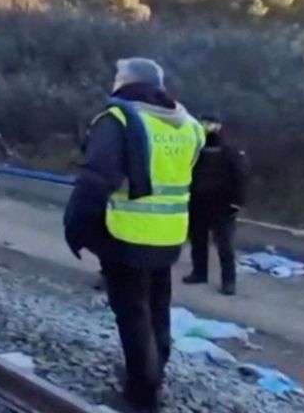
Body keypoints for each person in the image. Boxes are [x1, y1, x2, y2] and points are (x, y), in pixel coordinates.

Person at [63, 58, 205, 412]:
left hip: (127, 236)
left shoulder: (119, 120)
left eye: (116, 76)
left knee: (133, 315)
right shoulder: (187, 125)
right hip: (170, 235)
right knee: (158, 308)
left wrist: (75, 229)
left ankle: (142, 396)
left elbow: (96, 181)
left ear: (127, 81)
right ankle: (152, 373)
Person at [183, 113, 248, 296]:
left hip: (223, 205)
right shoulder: (196, 148)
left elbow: (240, 177)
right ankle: (199, 273)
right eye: (203, 123)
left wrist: (237, 202)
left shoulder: (229, 150)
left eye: (210, 123)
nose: (206, 126)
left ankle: (228, 282)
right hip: (197, 202)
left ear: (219, 126)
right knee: (198, 241)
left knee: (224, 245)